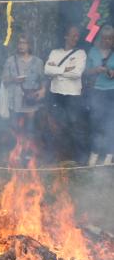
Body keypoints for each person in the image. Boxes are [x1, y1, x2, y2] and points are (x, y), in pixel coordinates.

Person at [44, 25, 87, 163]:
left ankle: (80, 160)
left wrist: (56, 69)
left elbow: (76, 73)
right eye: (73, 35)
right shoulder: (55, 52)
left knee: (75, 128)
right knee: (54, 127)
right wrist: (65, 69)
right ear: (65, 36)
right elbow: (46, 70)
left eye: (77, 36)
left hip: (73, 96)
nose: (76, 38)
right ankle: (53, 159)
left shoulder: (81, 53)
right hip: (56, 94)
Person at [2, 34, 45, 154]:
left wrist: (42, 91)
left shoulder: (38, 62)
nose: (21, 45)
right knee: (14, 128)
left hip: (30, 100)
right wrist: (14, 79)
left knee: (30, 129)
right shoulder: (10, 61)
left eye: (24, 43)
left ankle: (28, 155)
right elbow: (4, 80)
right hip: (14, 100)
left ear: (29, 45)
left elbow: (43, 80)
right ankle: (14, 154)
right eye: (19, 43)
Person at [84, 25, 114, 165]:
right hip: (96, 91)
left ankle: (108, 156)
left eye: (109, 38)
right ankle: (94, 154)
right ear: (100, 38)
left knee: (110, 124)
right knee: (96, 124)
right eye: (104, 38)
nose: (106, 41)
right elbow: (85, 72)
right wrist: (95, 70)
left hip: (112, 92)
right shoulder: (93, 52)